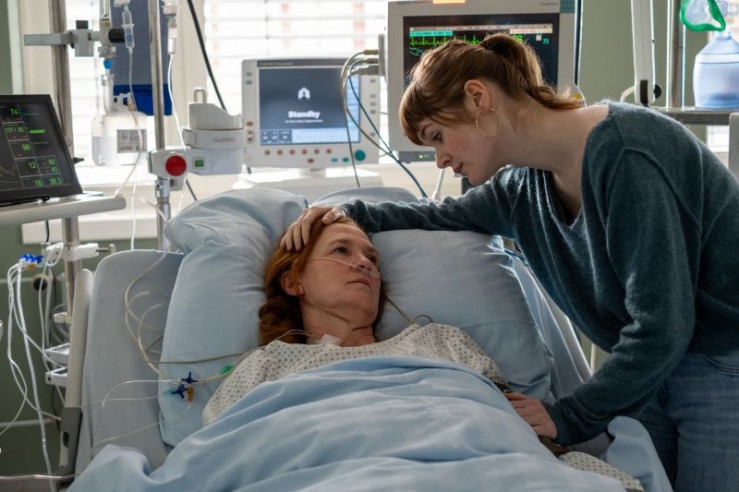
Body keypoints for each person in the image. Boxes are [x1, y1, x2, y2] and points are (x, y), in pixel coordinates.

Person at [281, 34, 739, 491]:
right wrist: (342, 213)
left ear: (478, 98)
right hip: (647, 371)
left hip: (721, 360)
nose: (440, 160)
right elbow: (437, 215)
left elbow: (662, 325)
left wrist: (569, 416)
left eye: (438, 136)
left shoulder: (628, 155)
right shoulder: (522, 189)